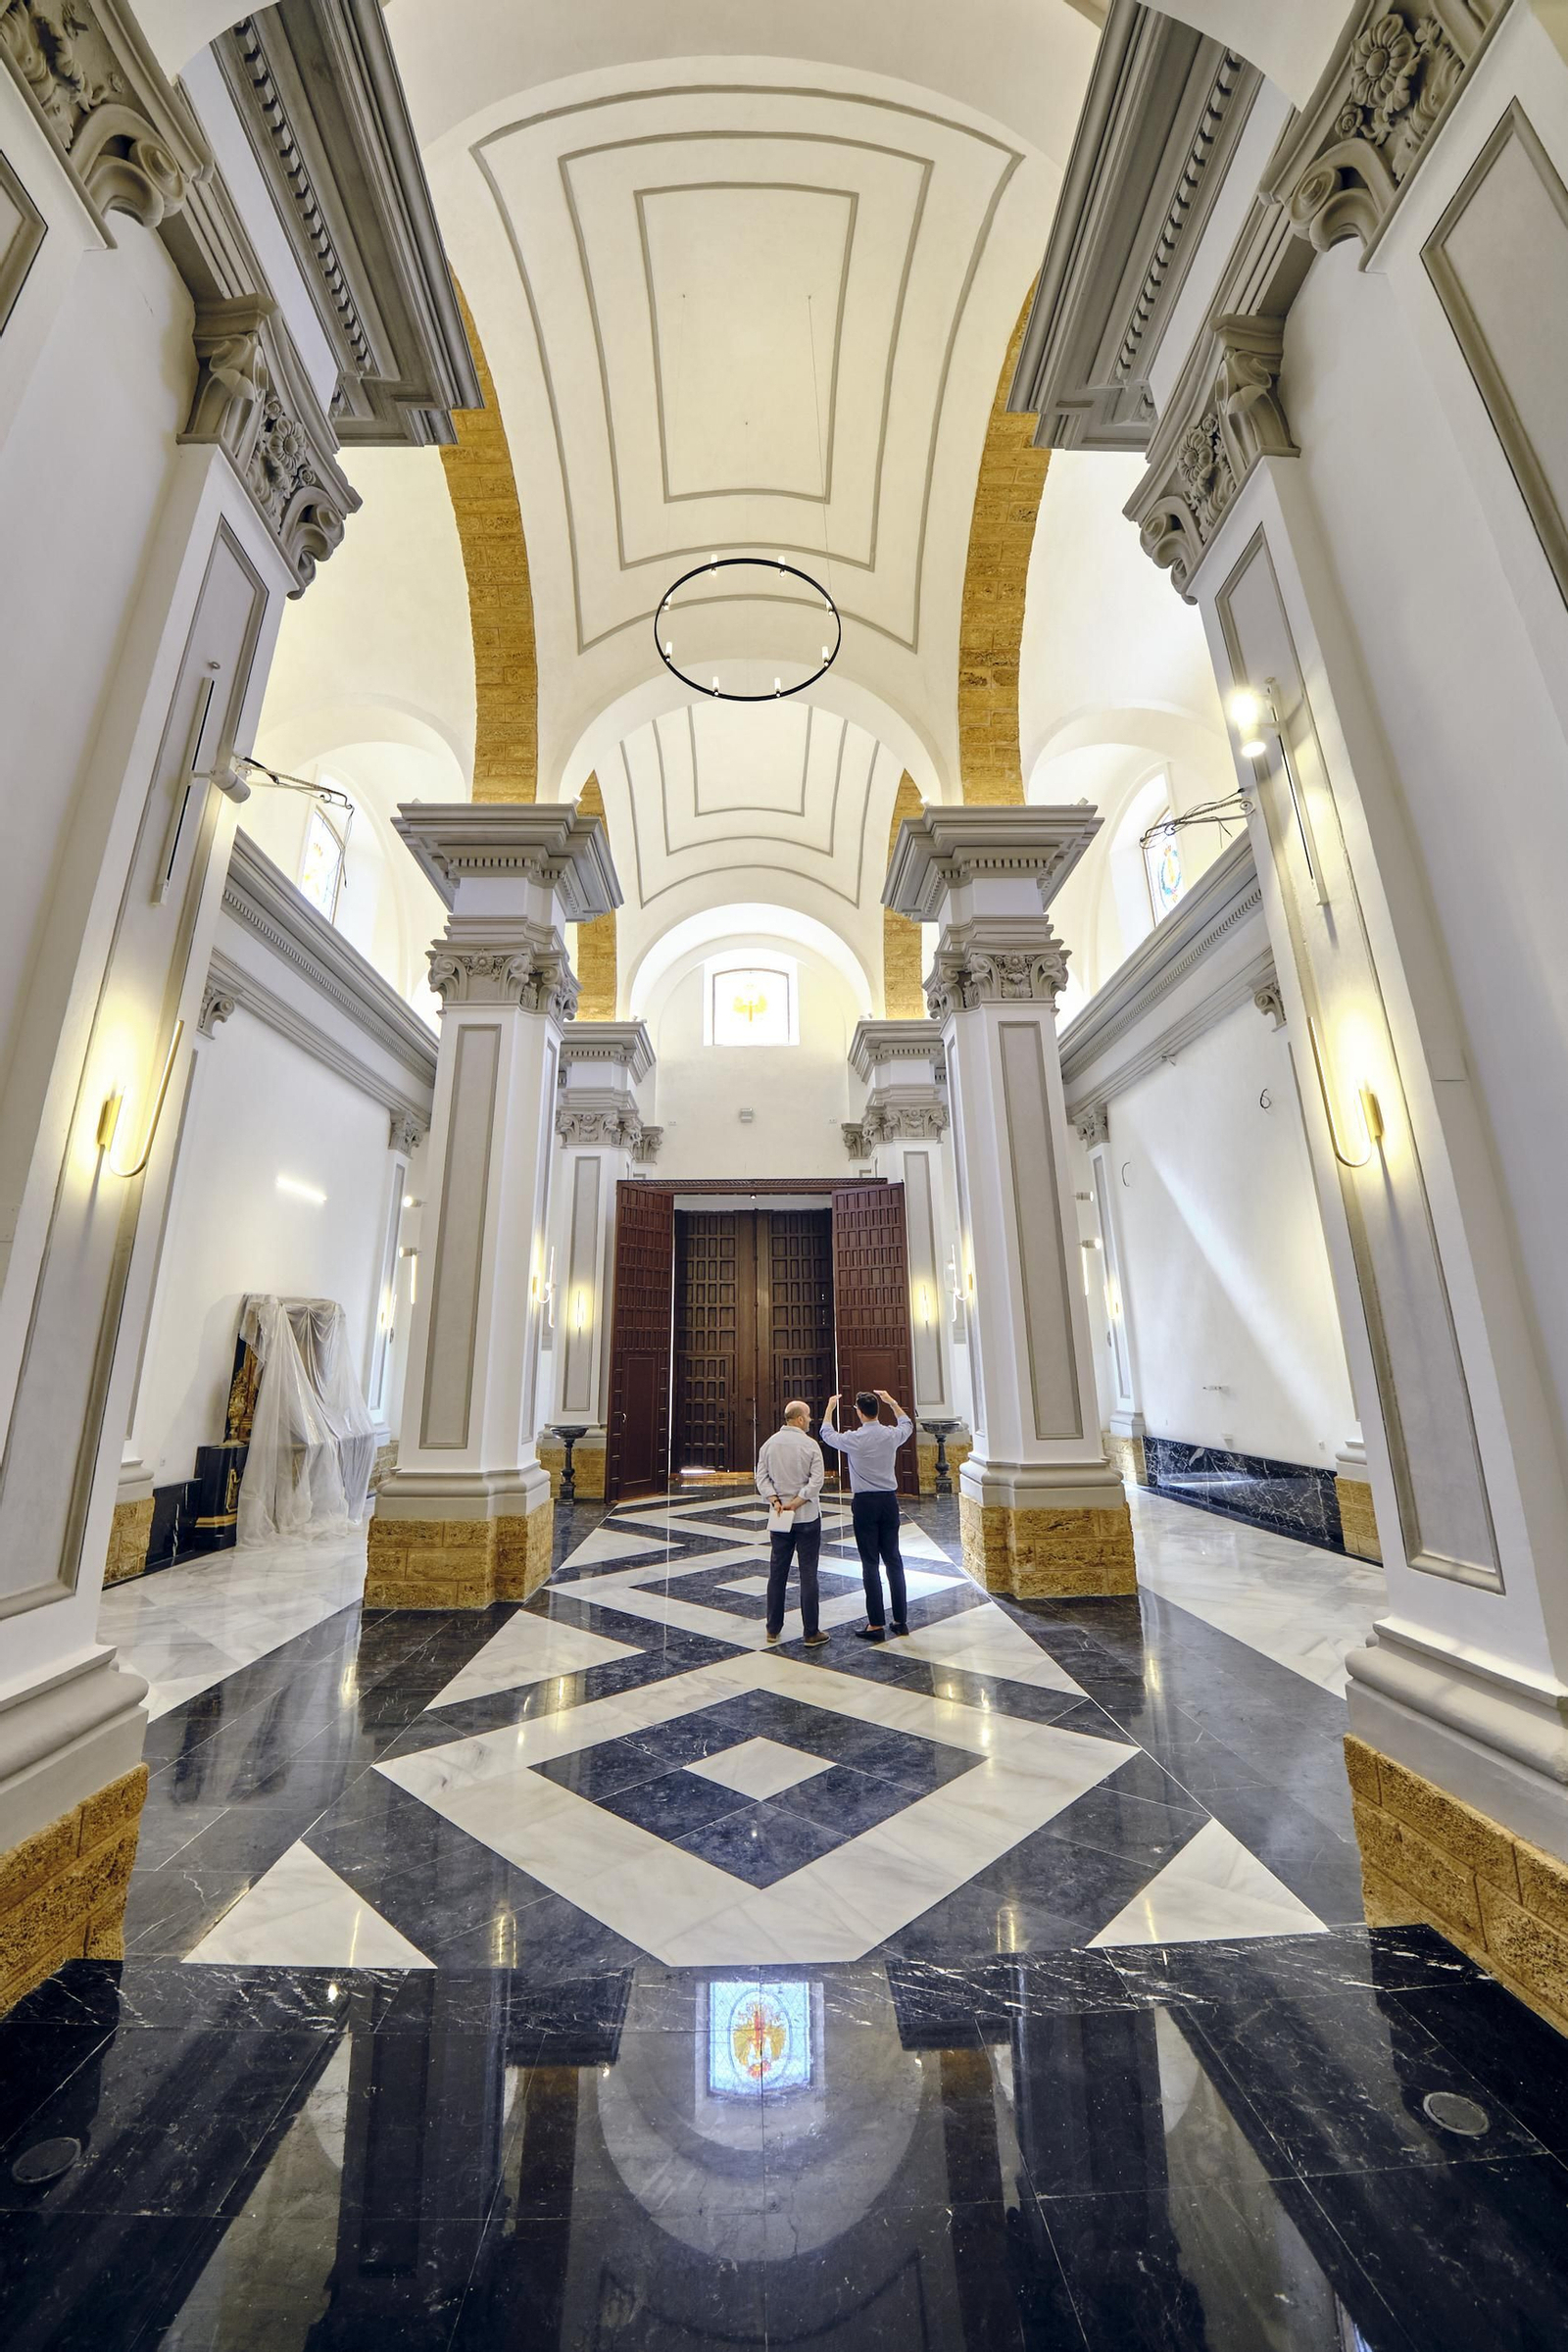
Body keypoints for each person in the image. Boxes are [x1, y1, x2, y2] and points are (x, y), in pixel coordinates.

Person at [820, 1388, 913, 1642]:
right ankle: (900, 1620)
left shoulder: (854, 1439)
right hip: (888, 1502)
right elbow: (907, 1424)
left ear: (860, 1413)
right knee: (893, 1559)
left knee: (870, 1562)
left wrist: (830, 1408)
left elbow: (826, 1434)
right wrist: (892, 1401)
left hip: (865, 1504)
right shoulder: (891, 1435)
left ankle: (875, 1623)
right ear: (877, 1411)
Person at [755, 1399, 829, 1648]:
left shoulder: (769, 1444)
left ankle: (772, 1629)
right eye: (807, 1416)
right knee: (808, 1574)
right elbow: (816, 1481)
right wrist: (797, 1502)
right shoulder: (810, 1445)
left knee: (777, 1572)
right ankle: (811, 1632)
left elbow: (761, 1477)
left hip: (779, 1516)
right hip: (806, 1516)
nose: (809, 1420)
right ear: (799, 1419)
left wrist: (775, 1500)